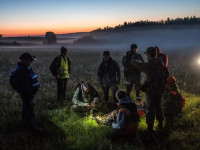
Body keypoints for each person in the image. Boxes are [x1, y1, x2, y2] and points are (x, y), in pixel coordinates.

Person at [131, 47, 169, 132]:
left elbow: (136, 64)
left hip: (151, 91)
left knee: (150, 108)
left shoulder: (149, 65)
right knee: (158, 107)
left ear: (148, 54)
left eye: (147, 54)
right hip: (160, 91)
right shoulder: (162, 66)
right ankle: (160, 124)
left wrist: (133, 58)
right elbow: (167, 75)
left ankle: (150, 128)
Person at [10, 52, 40, 131]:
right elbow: (25, 87)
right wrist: (30, 98)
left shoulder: (26, 67)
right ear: (25, 60)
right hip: (27, 95)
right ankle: (31, 129)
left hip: (29, 94)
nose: (31, 62)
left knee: (26, 108)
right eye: (30, 60)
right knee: (29, 110)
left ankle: (25, 124)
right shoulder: (21, 71)